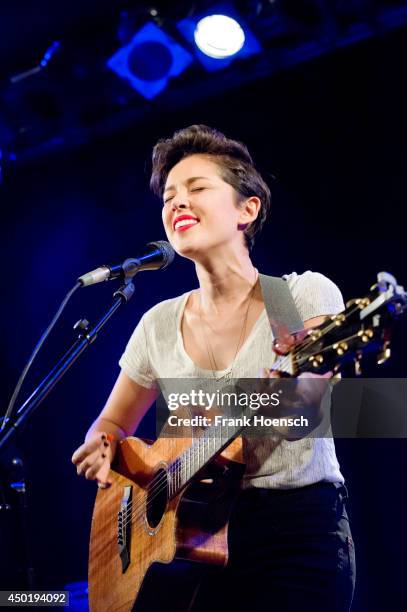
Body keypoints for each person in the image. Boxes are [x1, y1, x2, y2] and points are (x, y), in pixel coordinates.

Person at [72, 125, 356, 611]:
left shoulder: (299, 296)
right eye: (168, 196)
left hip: (296, 536)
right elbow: (113, 425)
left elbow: (307, 407)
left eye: (198, 188)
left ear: (248, 209)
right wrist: (103, 447)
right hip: (191, 547)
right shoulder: (156, 324)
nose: (177, 203)